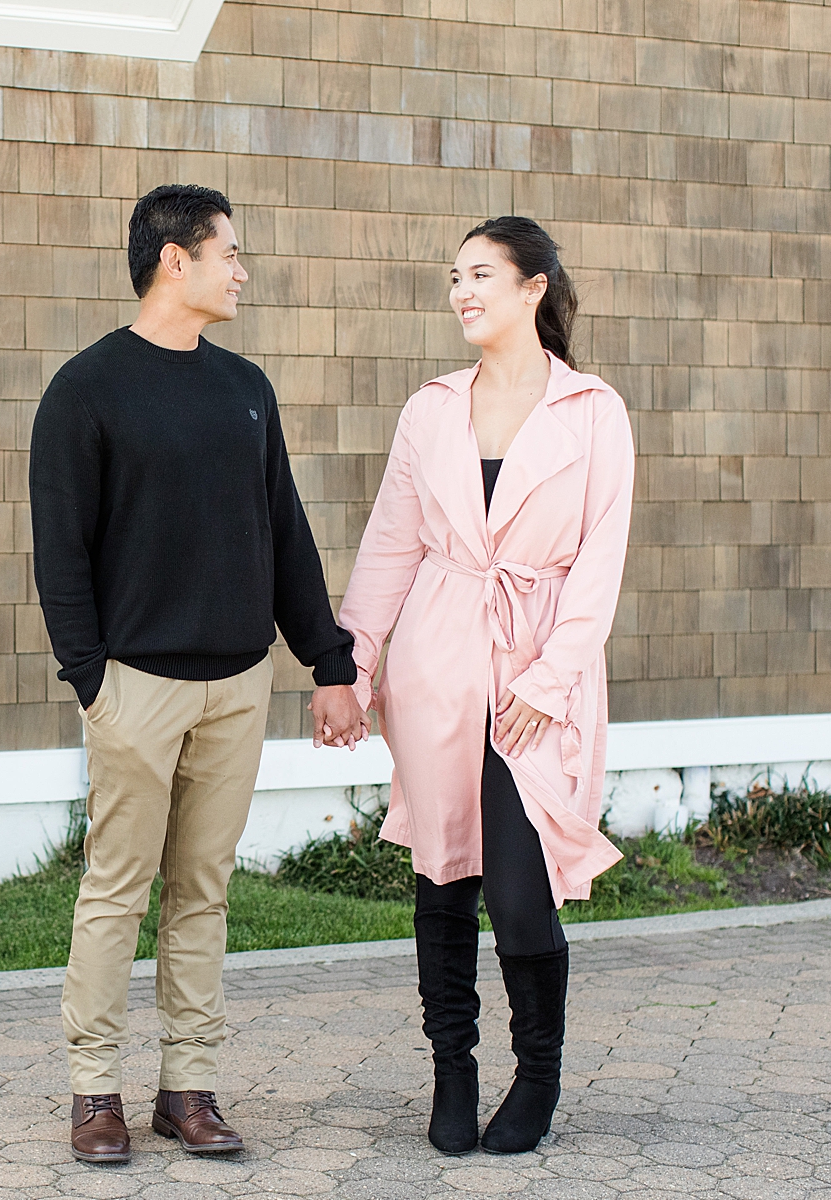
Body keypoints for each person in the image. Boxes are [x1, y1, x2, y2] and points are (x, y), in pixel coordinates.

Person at [30, 183, 369, 1165]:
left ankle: (189, 1089)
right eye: (231, 253)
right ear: (175, 259)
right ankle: (96, 1094)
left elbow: (286, 538)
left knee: (203, 892)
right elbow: (62, 554)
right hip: (134, 685)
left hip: (236, 686)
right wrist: (92, 679)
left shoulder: (245, 390)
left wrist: (328, 663)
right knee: (116, 892)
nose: (243, 270)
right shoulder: (85, 391)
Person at [338, 216, 634, 1156]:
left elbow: (600, 561)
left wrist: (551, 678)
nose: (462, 292)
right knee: (440, 876)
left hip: (537, 670)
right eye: (454, 277)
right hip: (436, 660)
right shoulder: (431, 408)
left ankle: (538, 1076)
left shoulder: (593, 411)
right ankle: (453, 1073)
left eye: (481, 275)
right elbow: (392, 543)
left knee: (516, 889)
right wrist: (350, 666)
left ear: (534, 286)